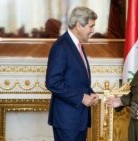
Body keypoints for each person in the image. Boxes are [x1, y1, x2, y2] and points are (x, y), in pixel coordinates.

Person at [45, 6, 99, 141]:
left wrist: (90, 93)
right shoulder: (61, 47)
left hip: (77, 119)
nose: (93, 31)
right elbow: (53, 82)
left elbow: (76, 79)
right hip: (67, 121)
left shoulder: (76, 45)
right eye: (91, 26)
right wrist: (82, 97)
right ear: (79, 25)